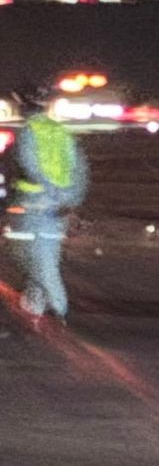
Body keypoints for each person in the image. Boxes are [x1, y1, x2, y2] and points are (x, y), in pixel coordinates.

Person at [4, 82, 88, 328]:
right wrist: (70, 200)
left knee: (33, 257)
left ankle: (58, 309)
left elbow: (30, 166)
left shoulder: (29, 131)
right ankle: (36, 303)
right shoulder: (62, 133)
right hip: (57, 208)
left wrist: (48, 192)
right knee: (45, 256)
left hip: (35, 205)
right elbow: (79, 169)